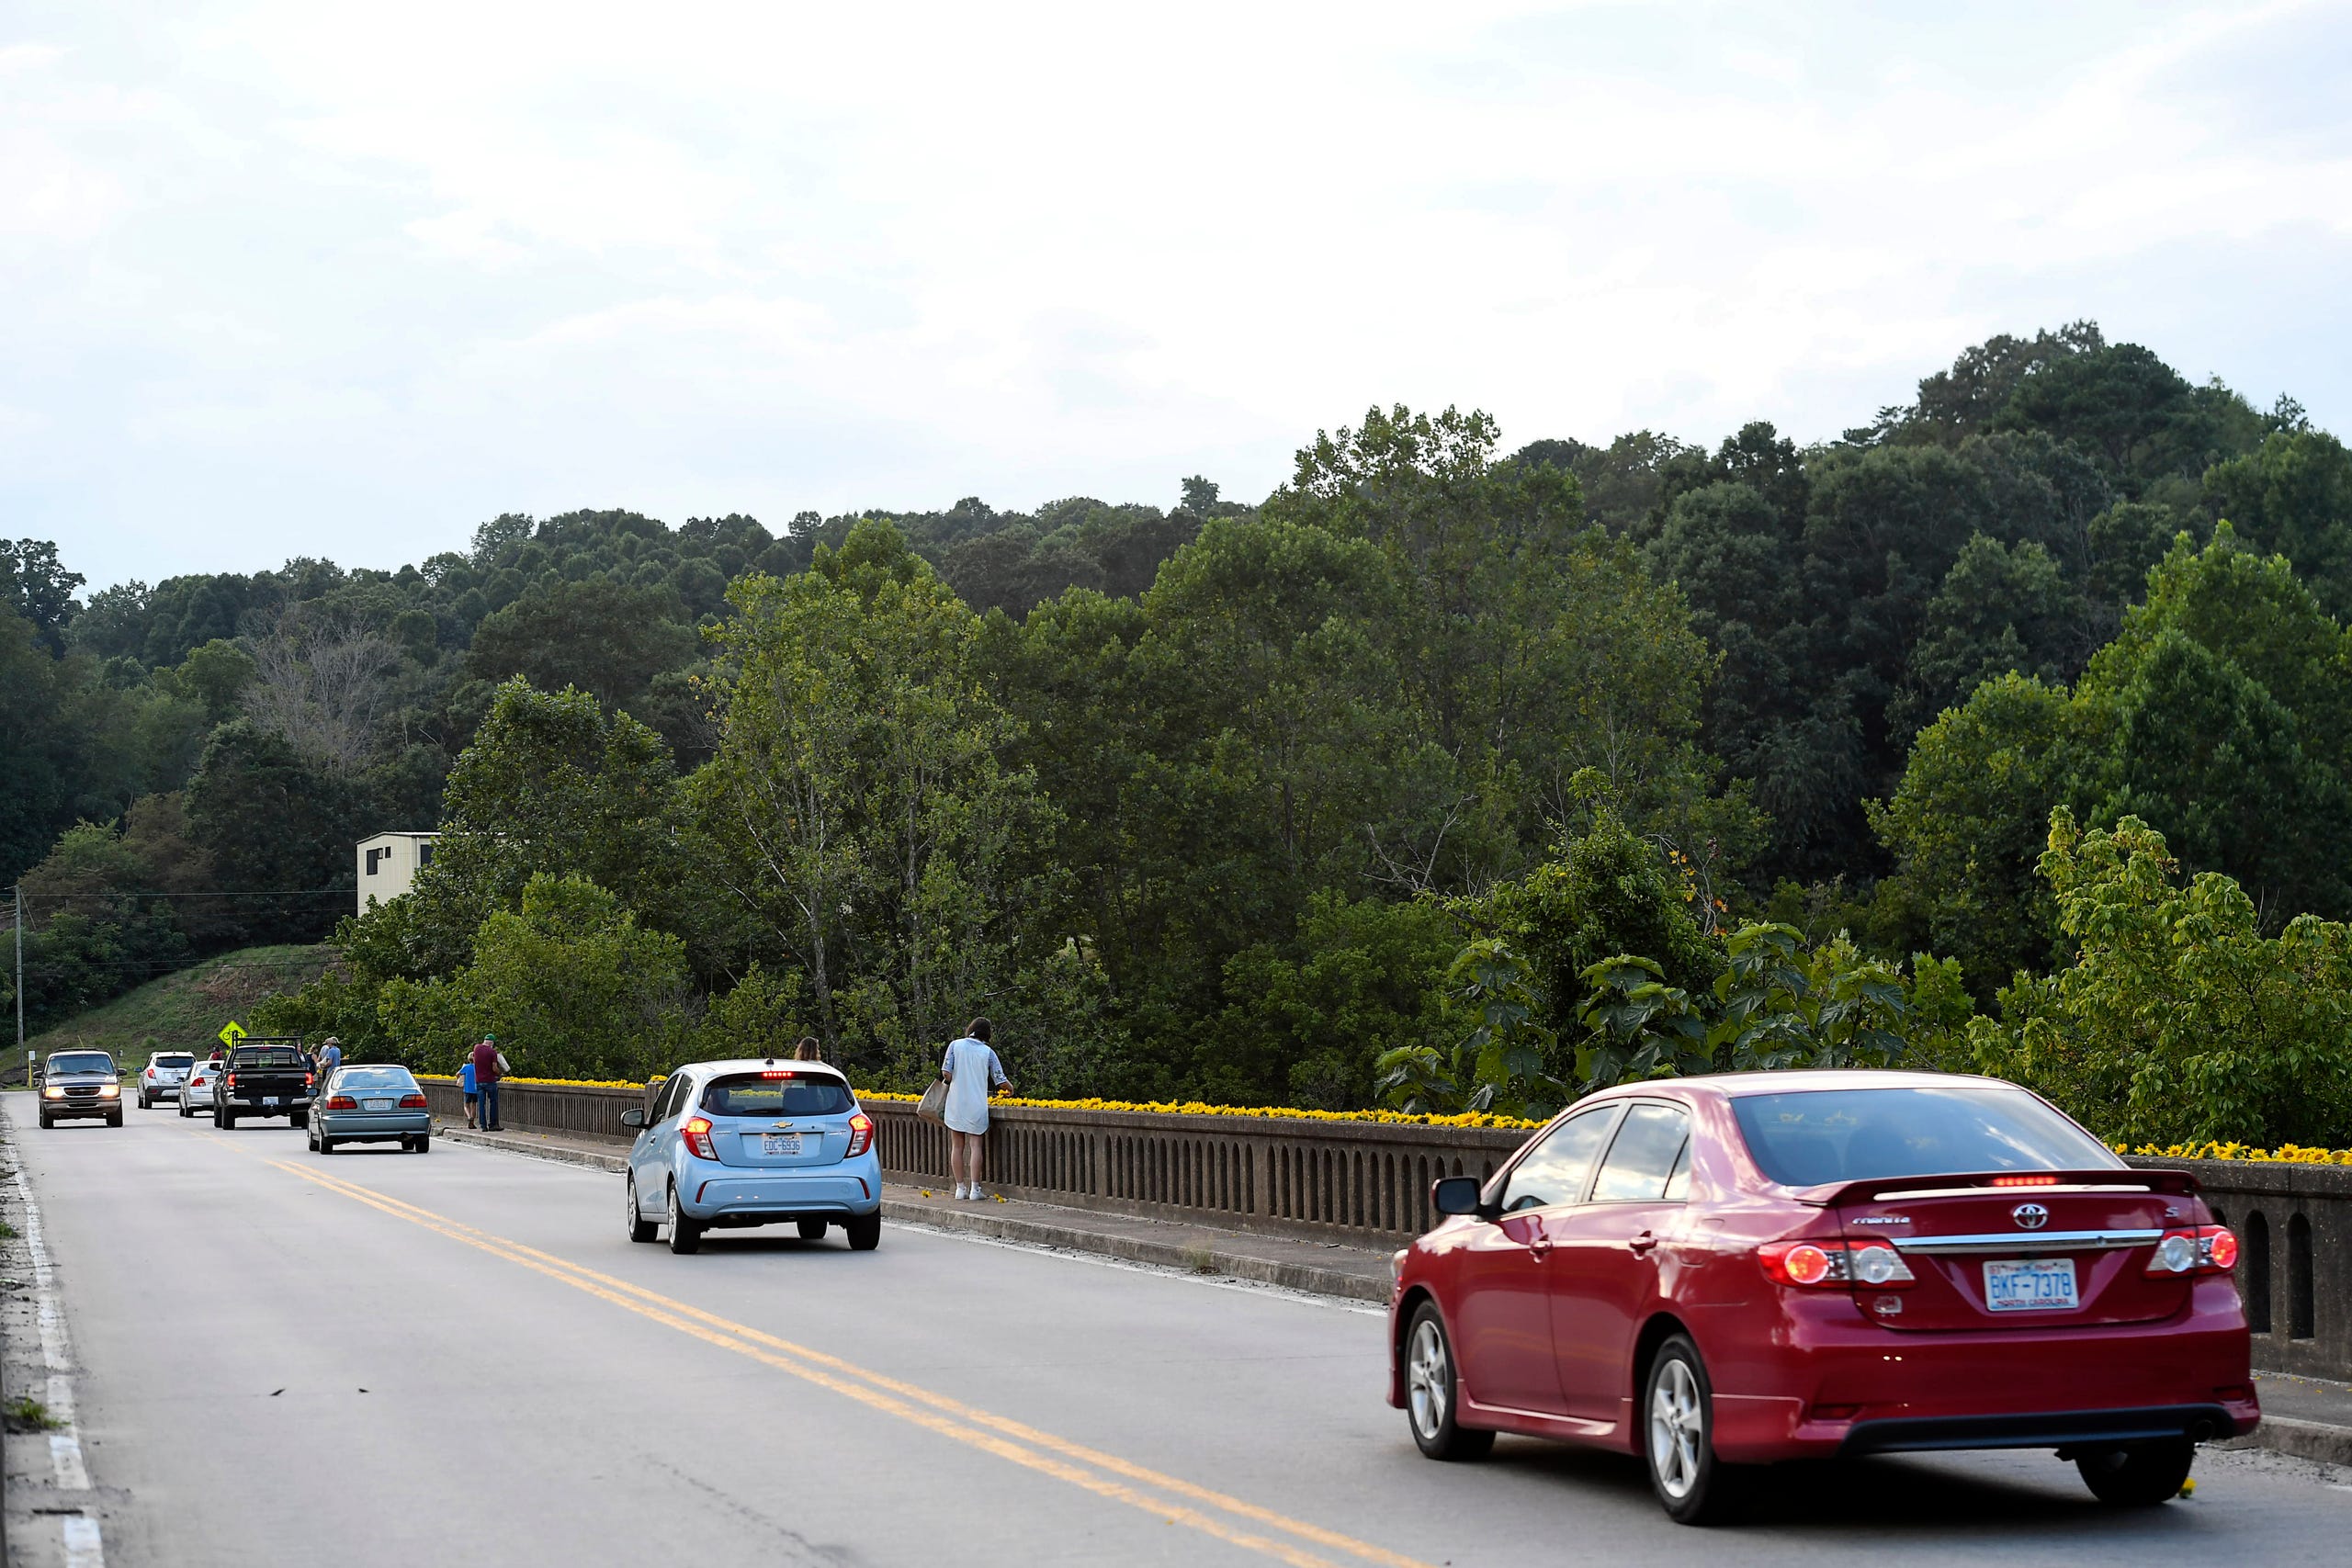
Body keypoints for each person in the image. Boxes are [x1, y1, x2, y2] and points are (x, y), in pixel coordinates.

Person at [939, 1018, 1012, 1201]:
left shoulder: (954, 1045)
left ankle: (960, 1188)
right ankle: (975, 1189)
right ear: (987, 1034)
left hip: (956, 1102)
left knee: (957, 1146)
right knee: (976, 1146)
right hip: (977, 1104)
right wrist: (1011, 1089)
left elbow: (946, 1072)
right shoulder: (988, 1052)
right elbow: (1000, 1079)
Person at [470, 1033, 510, 1132]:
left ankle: (483, 1126)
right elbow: (494, 1068)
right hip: (490, 1081)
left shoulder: (476, 1048)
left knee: (481, 1104)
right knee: (493, 1102)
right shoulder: (492, 1052)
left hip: (479, 1081)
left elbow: (475, 1061)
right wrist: (500, 1073)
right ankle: (493, 1124)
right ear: (491, 1043)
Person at [459, 1054, 479, 1128]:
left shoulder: (466, 1067)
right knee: (474, 1105)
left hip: (467, 1089)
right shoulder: (477, 1068)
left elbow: (458, 1073)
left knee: (466, 1105)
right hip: (475, 1089)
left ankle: (469, 1117)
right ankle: (472, 1121)